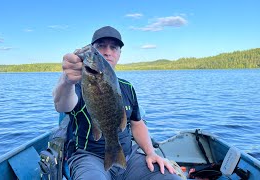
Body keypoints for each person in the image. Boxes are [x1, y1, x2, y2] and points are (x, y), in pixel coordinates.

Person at [53, 26, 181, 180]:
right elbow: (62, 105)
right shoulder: (79, 84)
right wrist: (67, 81)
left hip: (128, 156)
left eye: (113, 47)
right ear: (93, 49)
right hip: (89, 158)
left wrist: (151, 153)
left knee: (170, 178)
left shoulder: (127, 87)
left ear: (119, 54)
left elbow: (137, 124)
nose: (107, 52)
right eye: (101, 46)